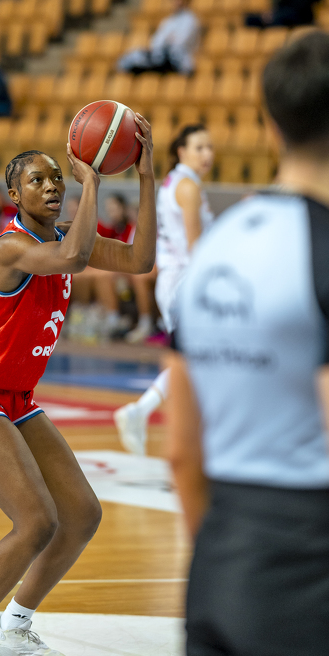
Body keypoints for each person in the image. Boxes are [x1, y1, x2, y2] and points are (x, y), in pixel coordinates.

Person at [168, 30, 329, 656]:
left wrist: (226, 558)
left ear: (269, 124)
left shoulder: (213, 251)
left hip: (218, 562)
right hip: (312, 572)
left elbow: (181, 452)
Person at [0, 119, 156, 656]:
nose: (52, 185)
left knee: (82, 513)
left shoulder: (64, 239)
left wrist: (146, 176)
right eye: (37, 179)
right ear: (15, 194)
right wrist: (92, 180)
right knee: (35, 520)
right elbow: (75, 258)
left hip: (15, 396)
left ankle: (13, 628)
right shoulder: (12, 247)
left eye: (57, 177)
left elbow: (140, 260)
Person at [114, 124, 214, 453]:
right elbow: (195, 247)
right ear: (181, 151)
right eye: (199, 147)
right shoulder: (188, 187)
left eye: (209, 147)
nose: (207, 154)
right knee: (194, 359)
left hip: (172, 281)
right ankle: (149, 416)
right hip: (186, 281)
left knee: (192, 359)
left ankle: (141, 413)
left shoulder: (174, 182)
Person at [70, 193, 137, 339]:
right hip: (115, 269)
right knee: (80, 274)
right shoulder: (114, 229)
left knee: (101, 275)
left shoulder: (130, 228)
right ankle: (82, 314)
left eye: (114, 209)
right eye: (109, 209)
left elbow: (132, 257)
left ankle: (113, 317)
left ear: (123, 208)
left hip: (128, 271)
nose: (111, 212)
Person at [118, 0, 200, 75]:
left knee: (170, 53)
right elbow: (157, 41)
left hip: (179, 59)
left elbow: (181, 41)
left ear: (185, 0)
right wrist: (167, 41)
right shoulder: (168, 20)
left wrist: (168, 41)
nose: (176, 2)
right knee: (134, 55)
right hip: (162, 56)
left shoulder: (191, 20)